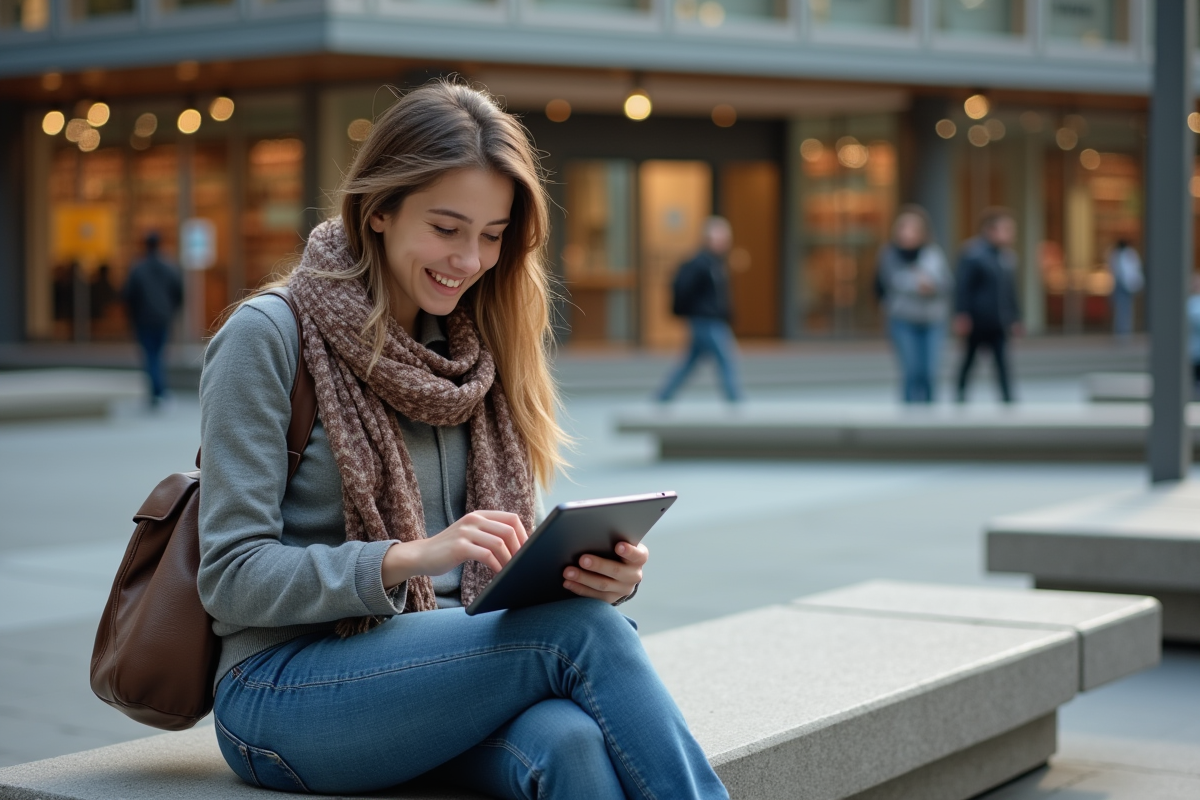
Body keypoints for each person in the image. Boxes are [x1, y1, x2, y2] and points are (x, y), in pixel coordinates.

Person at [198, 81, 728, 799]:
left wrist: (605, 578)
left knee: (569, 742)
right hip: (282, 690)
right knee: (580, 634)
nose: (470, 260)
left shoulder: (474, 347)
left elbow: (505, 557)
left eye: (492, 234)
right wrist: (407, 558)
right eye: (447, 229)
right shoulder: (267, 337)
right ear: (379, 210)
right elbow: (230, 578)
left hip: (443, 668)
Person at [657, 216, 742, 402]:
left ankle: (662, 397)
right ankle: (736, 402)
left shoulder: (715, 263)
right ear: (710, 239)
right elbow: (685, 290)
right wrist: (694, 311)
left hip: (712, 320)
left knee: (689, 363)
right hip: (705, 321)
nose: (725, 243)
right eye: (721, 239)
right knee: (726, 359)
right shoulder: (699, 263)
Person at [875, 205, 952, 403]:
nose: (907, 234)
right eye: (903, 228)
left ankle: (929, 419)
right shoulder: (890, 255)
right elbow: (885, 283)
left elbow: (946, 284)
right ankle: (908, 420)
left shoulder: (933, 254)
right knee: (911, 371)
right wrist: (915, 284)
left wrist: (931, 286)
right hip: (903, 320)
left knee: (929, 372)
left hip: (932, 320)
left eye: (912, 229)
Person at [954, 208, 1021, 404]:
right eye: (1005, 229)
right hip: (977, 319)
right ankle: (960, 394)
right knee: (969, 360)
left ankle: (1008, 398)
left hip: (999, 321)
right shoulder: (972, 254)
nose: (1009, 234)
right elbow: (963, 287)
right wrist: (962, 314)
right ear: (990, 230)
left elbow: (1011, 291)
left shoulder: (1007, 257)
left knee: (1002, 362)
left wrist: (1016, 317)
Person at [122, 232, 183, 405]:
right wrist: (171, 312)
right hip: (163, 318)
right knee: (158, 355)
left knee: (150, 355)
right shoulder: (169, 266)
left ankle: (156, 392)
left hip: (143, 319)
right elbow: (179, 293)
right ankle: (158, 391)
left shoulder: (138, 268)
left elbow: (128, 296)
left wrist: (132, 317)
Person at [1108, 239, 1143, 341]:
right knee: (1121, 309)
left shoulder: (1129, 254)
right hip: (1120, 285)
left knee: (1126, 309)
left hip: (1127, 285)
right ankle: (1121, 333)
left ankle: (1125, 333)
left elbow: (1133, 270)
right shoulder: (1117, 254)